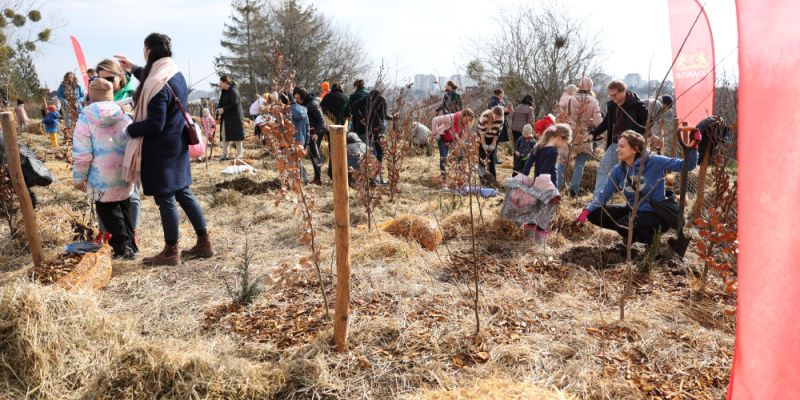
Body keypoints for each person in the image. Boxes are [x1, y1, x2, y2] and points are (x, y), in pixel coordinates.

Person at [117, 32, 213, 266]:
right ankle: (204, 242)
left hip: (161, 150)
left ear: (149, 51)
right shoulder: (173, 72)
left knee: (166, 198)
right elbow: (154, 78)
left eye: (144, 49)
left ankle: (171, 251)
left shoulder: (157, 83)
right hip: (176, 144)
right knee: (183, 192)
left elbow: (155, 123)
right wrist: (133, 68)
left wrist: (129, 128)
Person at [576, 130, 700, 245]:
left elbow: (687, 165)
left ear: (635, 149)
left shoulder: (654, 161)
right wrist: (587, 210)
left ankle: (654, 242)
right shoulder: (619, 170)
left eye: (622, 146)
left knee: (623, 225)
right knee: (594, 213)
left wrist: (693, 148)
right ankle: (633, 233)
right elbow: (604, 194)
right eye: (618, 146)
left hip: (655, 214)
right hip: (634, 211)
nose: (618, 150)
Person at [72, 78, 137, 259]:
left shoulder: (86, 118)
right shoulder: (123, 114)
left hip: (101, 177)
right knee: (124, 208)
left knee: (109, 211)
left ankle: (123, 249)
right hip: (124, 171)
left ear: (91, 96)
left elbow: (82, 154)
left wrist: (79, 178)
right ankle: (131, 246)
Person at [94, 58, 142, 243]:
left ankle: (132, 231)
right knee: (102, 195)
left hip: (127, 151)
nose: (104, 83)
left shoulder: (131, 94)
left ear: (120, 77)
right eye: (99, 79)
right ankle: (104, 232)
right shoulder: (96, 93)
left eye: (109, 78)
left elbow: (141, 120)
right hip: (103, 154)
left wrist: (123, 112)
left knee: (132, 194)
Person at [590, 80, 648, 199]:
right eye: (610, 95)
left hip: (632, 146)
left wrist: (632, 140)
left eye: (615, 94)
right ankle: (598, 202)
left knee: (634, 173)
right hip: (616, 143)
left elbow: (645, 126)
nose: (612, 97)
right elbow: (606, 123)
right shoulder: (612, 106)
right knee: (603, 167)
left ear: (623, 91)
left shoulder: (638, 106)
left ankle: (635, 203)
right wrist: (594, 134)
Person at [520, 123, 573, 243]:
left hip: (535, 186)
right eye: (564, 143)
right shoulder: (552, 152)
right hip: (546, 188)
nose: (562, 146)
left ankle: (528, 239)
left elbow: (527, 166)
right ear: (560, 137)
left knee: (534, 212)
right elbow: (545, 173)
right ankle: (540, 244)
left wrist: (523, 178)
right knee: (544, 215)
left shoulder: (538, 146)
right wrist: (554, 192)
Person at [565, 77, 603, 197]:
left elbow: (565, 117)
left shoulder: (570, 99)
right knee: (580, 164)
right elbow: (598, 123)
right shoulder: (593, 101)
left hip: (570, 135)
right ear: (590, 88)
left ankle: (558, 187)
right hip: (585, 137)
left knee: (562, 162)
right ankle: (573, 189)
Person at [294, 86, 326, 185]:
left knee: (315, 155)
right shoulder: (305, 103)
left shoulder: (313, 104)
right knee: (313, 155)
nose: (298, 101)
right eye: (296, 98)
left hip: (316, 131)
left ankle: (318, 179)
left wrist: (317, 133)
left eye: (299, 98)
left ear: (303, 96)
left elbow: (321, 120)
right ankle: (317, 177)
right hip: (311, 131)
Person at [431, 108, 476, 177]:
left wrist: (457, 148)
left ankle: (460, 175)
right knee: (444, 157)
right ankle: (443, 176)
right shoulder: (450, 118)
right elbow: (435, 120)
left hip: (453, 139)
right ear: (462, 116)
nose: (468, 122)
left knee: (460, 155)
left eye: (470, 121)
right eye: (467, 120)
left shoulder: (466, 124)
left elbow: (463, 138)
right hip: (443, 138)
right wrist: (435, 135)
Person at [217, 75, 245, 161]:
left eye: (221, 83)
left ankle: (239, 154)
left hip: (235, 118)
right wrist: (218, 109)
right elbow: (221, 102)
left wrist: (224, 109)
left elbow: (235, 103)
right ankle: (225, 154)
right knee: (224, 134)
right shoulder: (223, 91)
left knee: (237, 137)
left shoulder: (233, 90)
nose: (220, 85)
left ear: (225, 83)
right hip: (226, 117)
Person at [477, 106, 505, 180]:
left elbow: (497, 133)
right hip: (482, 136)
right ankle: (481, 179)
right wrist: (483, 144)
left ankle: (493, 179)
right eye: (496, 117)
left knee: (491, 159)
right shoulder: (485, 116)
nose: (497, 119)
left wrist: (493, 144)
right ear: (492, 113)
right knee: (481, 158)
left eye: (499, 117)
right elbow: (481, 132)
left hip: (493, 137)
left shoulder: (501, 119)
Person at [289, 93, 311, 183]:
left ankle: (297, 181)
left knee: (291, 161)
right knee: (298, 160)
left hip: (289, 140)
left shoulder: (285, 111)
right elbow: (307, 127)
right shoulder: (304, 109)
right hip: (301, 139)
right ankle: (304, 179)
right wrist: (307, 142)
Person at [488, 89, 512, 160]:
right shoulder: (493, 102)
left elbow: (504, 113)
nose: (503, 96)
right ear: (497, 94)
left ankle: (494, 158)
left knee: (497, 141)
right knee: (494, 141)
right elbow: (495, 110)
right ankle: (492, 158)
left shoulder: (501, 102)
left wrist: (508, 111)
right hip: (495, 124)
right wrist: (504, 110)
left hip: (501, 123)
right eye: (502, 94)